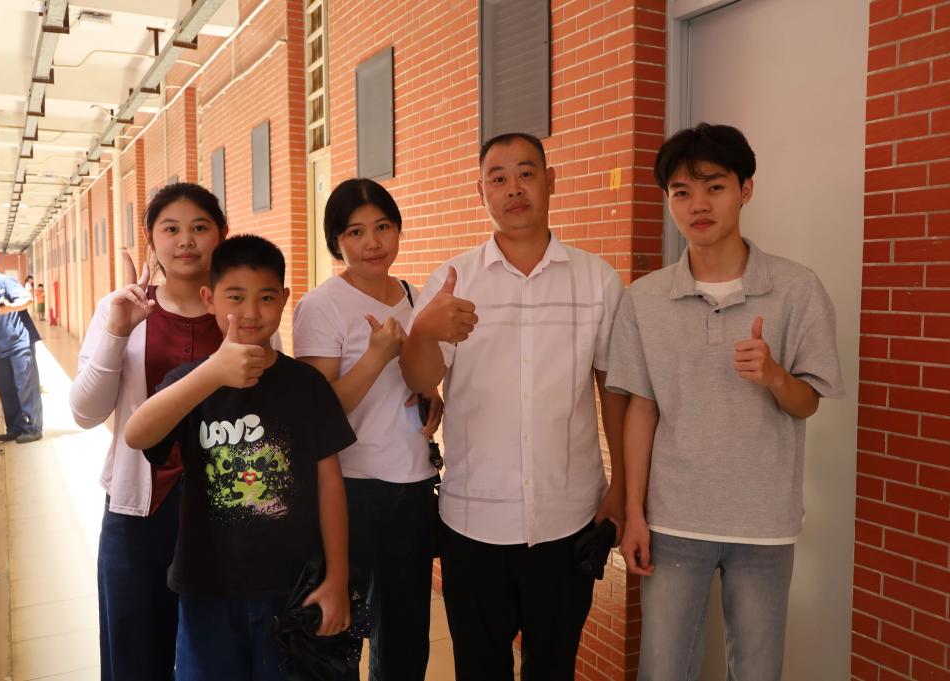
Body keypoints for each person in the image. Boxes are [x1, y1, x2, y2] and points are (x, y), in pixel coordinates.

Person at [607, 123, 844, 681]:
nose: (698, 205)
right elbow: (642, 410)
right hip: (673, 519)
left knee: (757, 670)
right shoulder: (644, 299)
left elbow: (808, 402)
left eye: (714, 187)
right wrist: (635, 513)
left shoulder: (797, 289)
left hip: (764, 520)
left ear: (746, 190)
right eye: (681, 192)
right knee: (663, 669)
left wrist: (775, 376)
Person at [399, 132, 627, 681]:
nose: (513, 188)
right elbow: (421, 381)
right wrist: (423, 331)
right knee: (481, 669)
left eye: (526, 173)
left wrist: (621, 488)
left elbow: (614, 390)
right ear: (481, 192)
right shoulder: (453, 282)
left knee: (553, 668)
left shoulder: (596, 279)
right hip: (473, 519)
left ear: (551, 181)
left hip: (568, 518)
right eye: (498, 178)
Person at [125, 234, 355, 680]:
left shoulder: (306, 386)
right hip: (208, 589)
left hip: (291, 588)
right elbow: (138, 434)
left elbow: (330, 482)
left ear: (284, 299)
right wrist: (212, 373)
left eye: (266, 297)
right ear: (209, 298)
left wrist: (337, 578)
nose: (251, 312)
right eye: (235, 297)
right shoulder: (191, 382)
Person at [69, 183, 233, 680]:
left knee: (216, 656)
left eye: (200, 227)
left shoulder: (239, 311)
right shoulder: (120, 309)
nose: (186, 240)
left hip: (224, 512)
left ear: (222, 234)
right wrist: (118, 330)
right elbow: (85, 412)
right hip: (138, 512)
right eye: (171, 229)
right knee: (135, 656)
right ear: (151, 238)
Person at [293, 178, 443, 681]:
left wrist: (431, 392)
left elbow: (419, 379)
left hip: (413, 485)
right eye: (355, 232)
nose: (372, 243)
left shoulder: (415, 297)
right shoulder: (322, 305)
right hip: (350, 490)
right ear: (336, 241)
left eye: (383, 227)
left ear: (398, 230)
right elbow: (318, 415)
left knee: (405, 637)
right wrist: (377, 357)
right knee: (336, 639)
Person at [0, 273, 42, 443]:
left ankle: (33, 428)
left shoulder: (2, 281)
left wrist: (9, 307)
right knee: (3, 385)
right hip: (0, 348)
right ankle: (15, 427)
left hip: (19, 341)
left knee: (26, 385)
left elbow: (28, 300)